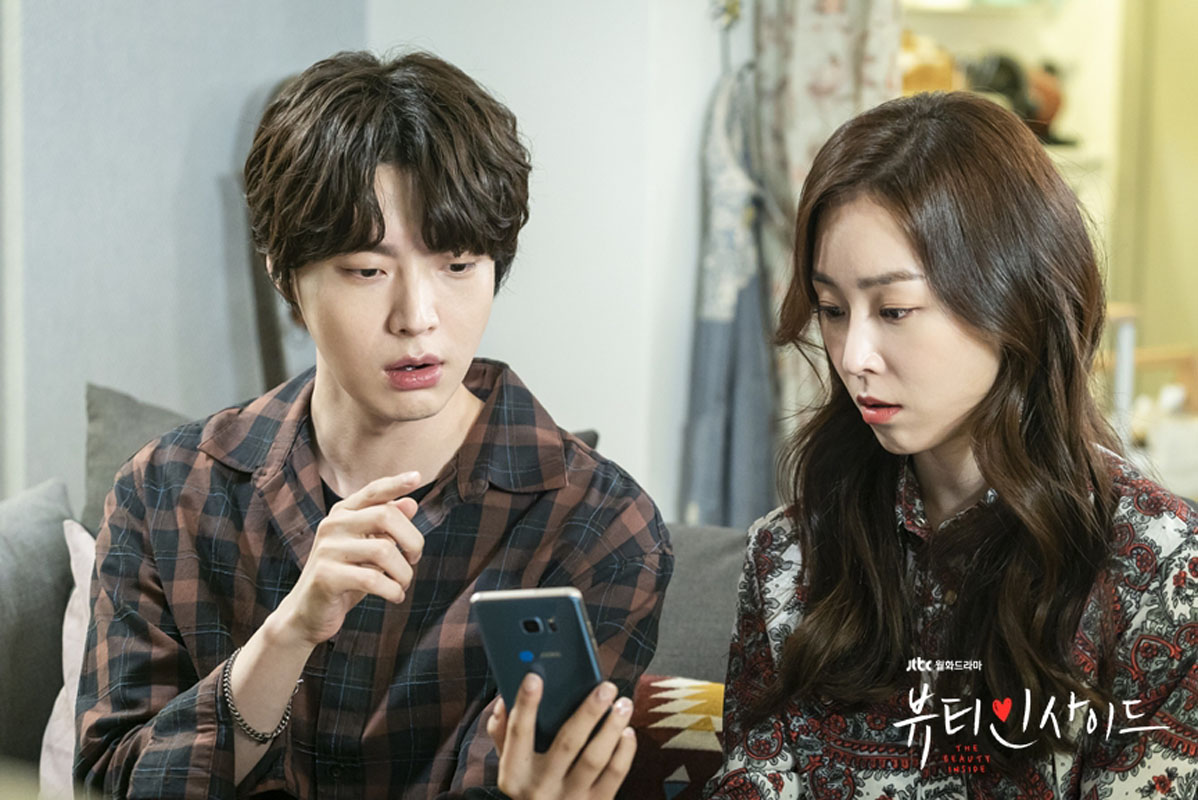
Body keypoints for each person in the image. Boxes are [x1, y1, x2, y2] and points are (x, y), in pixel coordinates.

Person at [74, 50, 672, 800]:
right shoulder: (165, 493)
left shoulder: (600, 526)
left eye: (458, 265)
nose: (418, 317)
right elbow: (113, 783)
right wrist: (289, 633)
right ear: (283, 270)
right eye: (367, 270)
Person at [704, 92, 1198, 799]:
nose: (853, 356)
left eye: (895, 310)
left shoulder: (1165, 573)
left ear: (1015, 300)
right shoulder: (789, 555)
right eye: (833, 310)